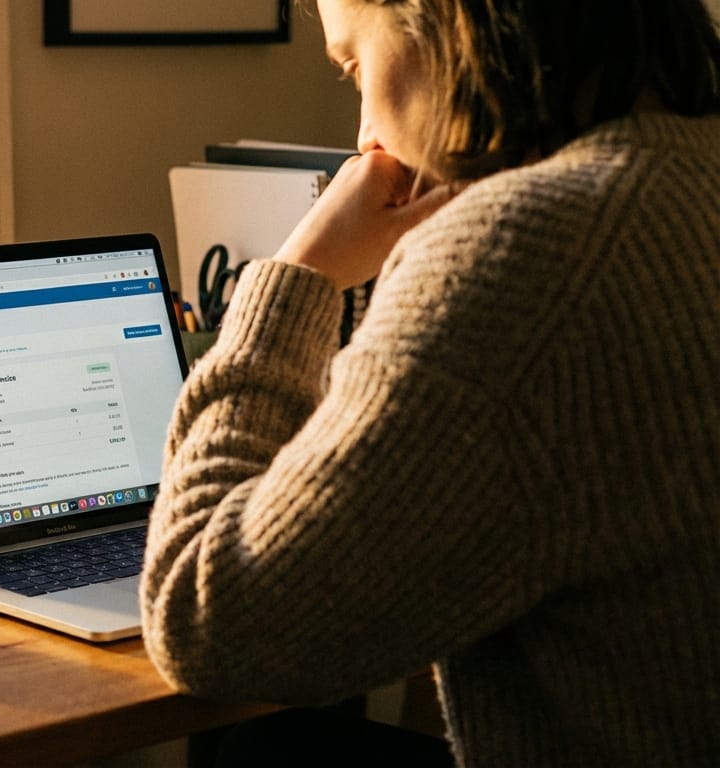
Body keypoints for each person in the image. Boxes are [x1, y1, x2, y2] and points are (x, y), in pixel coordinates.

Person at [139, 0, 720, 766]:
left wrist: (295, 280)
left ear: (444, 18)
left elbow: (207, 622)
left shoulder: (525, 250)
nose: (362, 137)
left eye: (354, 66)